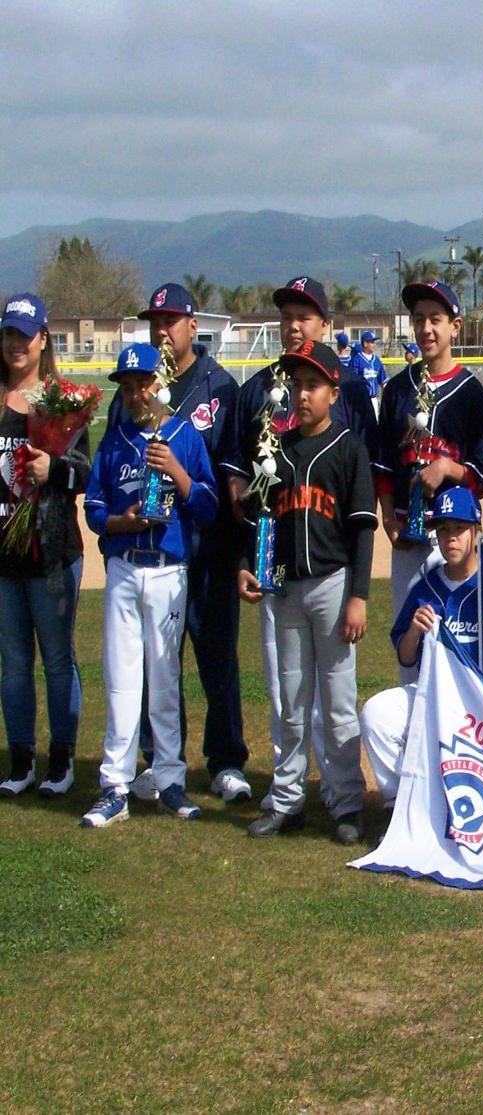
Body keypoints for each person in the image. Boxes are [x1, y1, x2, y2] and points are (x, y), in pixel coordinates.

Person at [223, 276, 379, 804]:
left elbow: (361, 522)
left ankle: (345, 799)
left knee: (336, 702)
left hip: (333, 581)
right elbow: (254, 505)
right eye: (297, 383)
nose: (303, 392)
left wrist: (360, 593)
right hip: (283, 581)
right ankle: (286, 797)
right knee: (288, 697)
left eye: (314, 383)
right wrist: (250, 557)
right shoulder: (274, 436)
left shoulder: (350, 429)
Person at [116, 282, 246, 805]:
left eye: (171, 320)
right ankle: (160, 759)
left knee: (217, 658)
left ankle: (227, 760)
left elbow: (233, 472)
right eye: (155, 321)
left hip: (210, 547)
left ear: (195, 325)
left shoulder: (219, 386)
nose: (162, 330)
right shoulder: (141, 386)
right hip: (160, 549)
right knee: (155, 662)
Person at [81, 342, 219, 827]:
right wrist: (122, 522)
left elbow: (207, 505)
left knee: (164, 678)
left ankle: (169, 779)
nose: (138, 393)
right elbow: (94, 509)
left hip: (167, 569)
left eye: (144, 383)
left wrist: (177, 473)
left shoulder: (183, 435)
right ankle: (115, 785)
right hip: (123, 566)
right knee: (120, 678)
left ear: (159, 384)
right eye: (129, 385)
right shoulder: (115, 440)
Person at [0, 293, 89, 799]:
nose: (15, 343)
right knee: (12, 663)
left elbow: (85, 475)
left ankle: (61, 761)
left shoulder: (64, 402)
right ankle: (20, 761)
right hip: (3, 556)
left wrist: (52, 469)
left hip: (51, 551)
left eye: (24, 333)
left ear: (43, 339)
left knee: (56, 659)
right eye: (8, 333)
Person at [376, 279, 483, 642]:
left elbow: (482, 477)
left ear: (455, 327)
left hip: (453, 537)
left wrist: (447, 468)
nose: (426, 328)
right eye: (419, 319)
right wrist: (389, 521)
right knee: (409, 640)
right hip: (408, 540)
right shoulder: (397, 390)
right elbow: (383, 467)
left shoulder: (471, 394)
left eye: (435, 319)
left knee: (459, 640)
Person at [360, 486, 482, 809]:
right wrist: (414, 630)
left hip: (480, 708)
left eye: (459, 529)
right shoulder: (426, 585)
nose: (451, 538)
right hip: (433, 695)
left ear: (476, 531)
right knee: (377, 715)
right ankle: (400, 802)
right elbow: (406, 656)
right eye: (443, 530)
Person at [352, 329, 387, 413]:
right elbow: (352, 382)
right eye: (372, 342)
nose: (374, 344)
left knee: (374, 425)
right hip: (360, 400)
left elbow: (383, 382)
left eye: (374, 342)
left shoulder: (376, 361)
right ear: (365, 343)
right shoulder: (356, 360)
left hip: (374, 400)